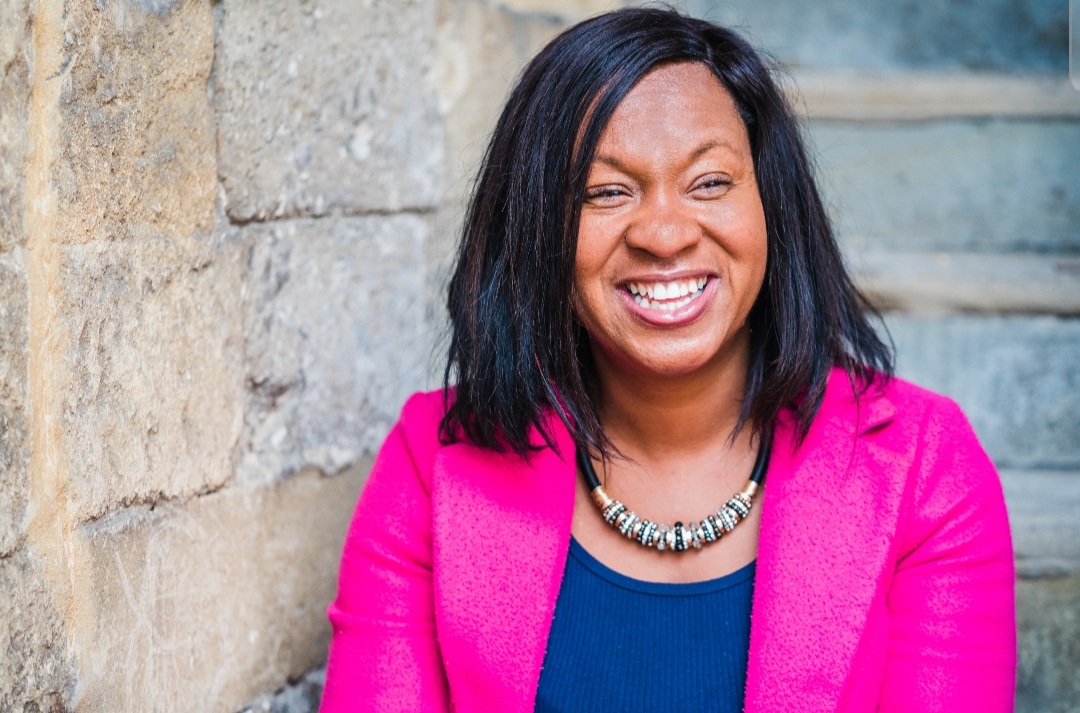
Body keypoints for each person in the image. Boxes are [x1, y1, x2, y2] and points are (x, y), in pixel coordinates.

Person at [319, 8, 1016, 712]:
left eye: (709, 182)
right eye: (606, 191)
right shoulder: (433, 462)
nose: (663, 233)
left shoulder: (924, 469)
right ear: (537, 228)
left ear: (771, 205)